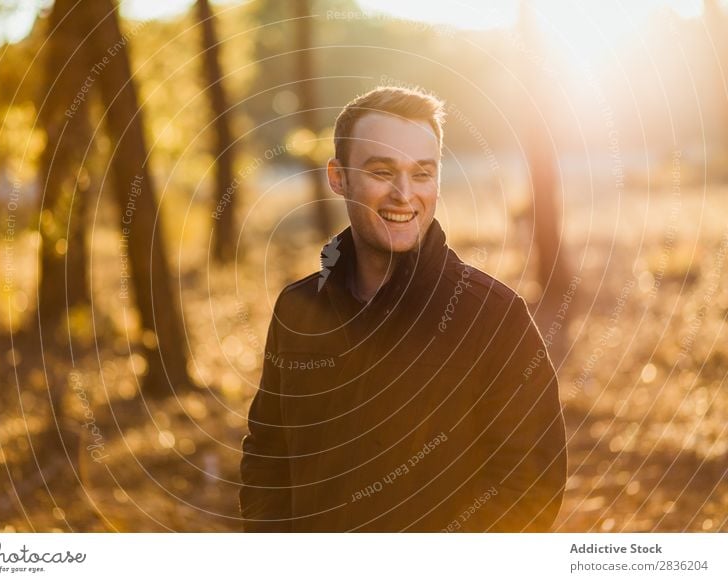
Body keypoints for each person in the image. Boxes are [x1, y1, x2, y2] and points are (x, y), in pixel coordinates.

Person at [239, 85, 567, 532]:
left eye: (422, 173)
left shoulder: (493, 317)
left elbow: (531, 485)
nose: (404, 194)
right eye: (381, 171)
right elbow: (266, 458)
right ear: (338, 177)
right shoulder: (297, 310)